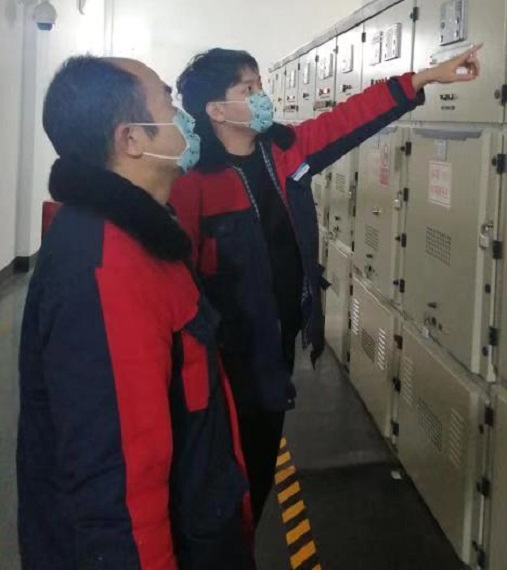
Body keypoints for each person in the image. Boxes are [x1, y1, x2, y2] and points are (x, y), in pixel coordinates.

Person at [170, 44, 482, 523]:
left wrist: (424, 78)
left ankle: (244, 536)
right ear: (216, 110)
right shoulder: (193, 182)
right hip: (226, 359)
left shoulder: (282, 151)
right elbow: (177, 281)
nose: (262, 97)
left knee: (259, 469)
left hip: (277, 345)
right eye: (248, 89)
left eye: (260, 85)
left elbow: (348, 119)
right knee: (224, 477)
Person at [17, 55, 255, 570]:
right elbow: (120, 492)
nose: (183, 115)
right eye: (168, 102)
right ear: (131, 139)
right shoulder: (107, 267)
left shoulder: (145, 234)